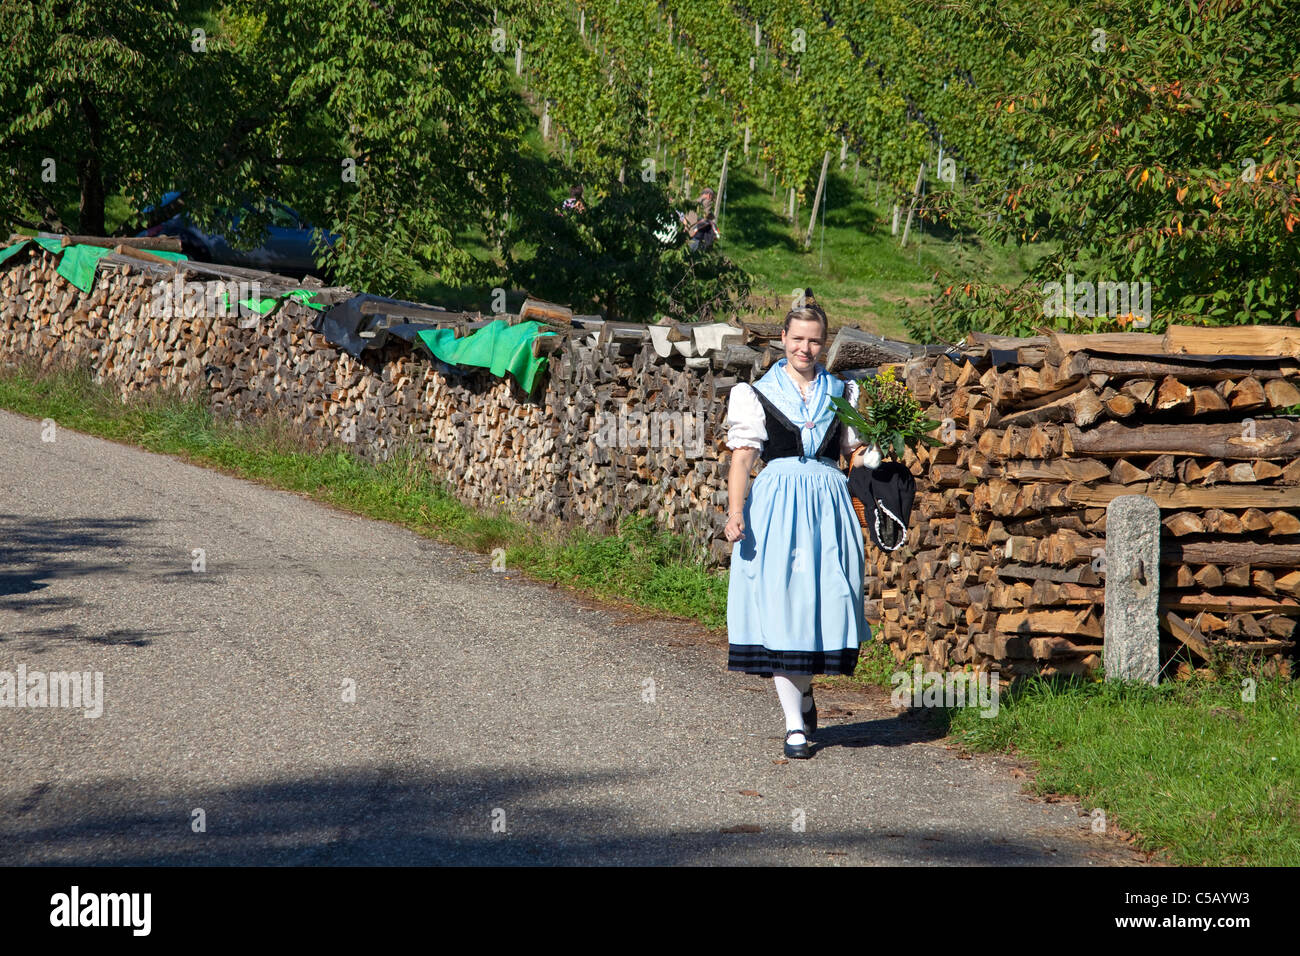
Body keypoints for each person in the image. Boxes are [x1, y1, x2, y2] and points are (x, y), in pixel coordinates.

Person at [723, 304, 880, 759]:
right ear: (783, 339)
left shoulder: (843, 391)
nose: (804, 348)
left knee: (823, 602)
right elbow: (743, 458)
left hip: (829, 508)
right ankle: (794, 724)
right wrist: (736, 512)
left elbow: (856, 451)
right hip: (775, 506)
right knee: (781, 605)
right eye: (797, 339)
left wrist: (874, 458)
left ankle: (805, 692)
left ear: (824, 344)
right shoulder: (757, 393)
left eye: (813, 341)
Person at [680, 187, 718, 252]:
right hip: (697, 233)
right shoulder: (707, 201)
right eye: (712, 198)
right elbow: (706, 214)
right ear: (709, 195)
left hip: (688, 232)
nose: (711, 200)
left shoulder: (694, 202)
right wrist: (711, 217)